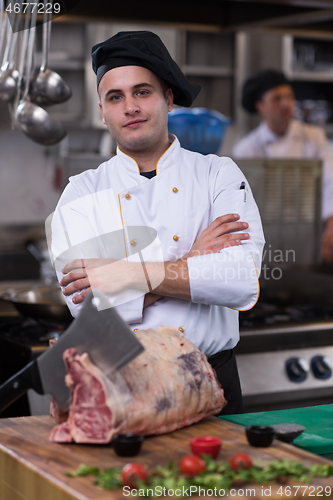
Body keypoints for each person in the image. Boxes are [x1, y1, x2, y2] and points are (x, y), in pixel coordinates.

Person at [49, 31, 265, 415]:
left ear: (167, 98)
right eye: (116, 97)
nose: (130, 106)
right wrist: (194, 262)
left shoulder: (219, 175)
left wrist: (127, 275)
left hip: (214, 376)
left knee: (224, 477)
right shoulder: (81, 193)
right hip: (124, 381)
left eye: (142, 92)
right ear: (103, 110)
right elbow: (86, 307)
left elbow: (240, 279)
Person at [233, 68, 333, 263]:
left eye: (289, 97)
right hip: (264, 235)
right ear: (260, 106)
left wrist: (331, 228)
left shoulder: (313, 136)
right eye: (277, 99)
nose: (286, 104)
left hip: (310, 232)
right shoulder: (246, 149)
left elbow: (330, 183)